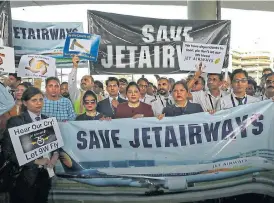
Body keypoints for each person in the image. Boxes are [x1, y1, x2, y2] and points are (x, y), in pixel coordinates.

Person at [1, 87, 57, 203]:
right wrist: (36, 161)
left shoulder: (48, 120)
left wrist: (54, 157)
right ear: (25, 103)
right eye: (34, 100)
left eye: (41, 99)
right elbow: (8, 152)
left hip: (45, 175)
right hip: (23, 177)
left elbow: (56, 146)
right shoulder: (16, 122)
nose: (38, 103)